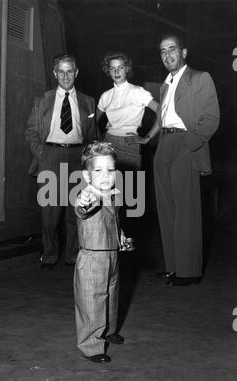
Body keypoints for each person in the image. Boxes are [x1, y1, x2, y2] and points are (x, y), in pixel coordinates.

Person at [137, 33, 220, 286]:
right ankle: (173, 266)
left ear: (183, 53)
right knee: (166, 209)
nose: (167, 55)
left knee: (186, 211)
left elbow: (212, 118)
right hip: (164, 146)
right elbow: (163, 118)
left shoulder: (200, 78)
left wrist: (189, 144)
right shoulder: (164, 85)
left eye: (172, 49)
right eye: (163, 51)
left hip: (186, 143)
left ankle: (189, 271)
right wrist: (150, 139)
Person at [25, 53, 97, 270]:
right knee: (50, 211)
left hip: (77, 156)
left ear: (76, 73)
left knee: (76, 209)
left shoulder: (88, 101)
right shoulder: (42, 101)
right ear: (55, 74)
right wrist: (43, 155)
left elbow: (93, 135)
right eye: (61, 71)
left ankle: (73, 255)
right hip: (51, 156)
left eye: (70, 71)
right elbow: (31, 132)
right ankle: (48, 255)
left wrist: (87, 159)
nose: (65, 76)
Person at [74, 141, 129, 364]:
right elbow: (81, 209)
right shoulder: (88, 194)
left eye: (111, 170)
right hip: (93, 256)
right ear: (87, 176)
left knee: (111, 295)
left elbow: (113, 220)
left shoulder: (111, 194)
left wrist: (122, 237)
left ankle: (108, 329)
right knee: (92, 300)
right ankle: (91, 344)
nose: (106, 175)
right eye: (98, 170)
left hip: (111, 252)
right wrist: (83, 202)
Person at [97, 51, 158, 171]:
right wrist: (100, 139)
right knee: (109, 187)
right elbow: (93, 120)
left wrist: (148, 137)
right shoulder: (106, 95)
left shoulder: (138, 92)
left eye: (120, 67)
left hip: (130, 143)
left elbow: (163, 112)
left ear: (127, 69)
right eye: (112, 68)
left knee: (133, 187)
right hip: (108, 144)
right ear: (108, 71)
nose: (116, 72)